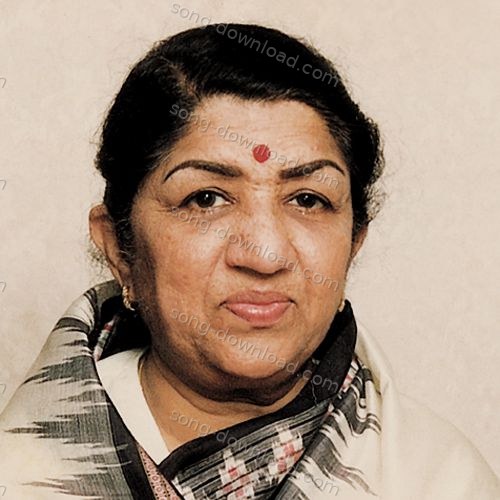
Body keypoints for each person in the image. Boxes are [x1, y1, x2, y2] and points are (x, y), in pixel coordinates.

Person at [0, 23, 498, 500]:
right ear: (119, 247)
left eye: (307, 200)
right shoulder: (18, 472)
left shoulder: (441, 481)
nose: (265, 255)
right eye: (206, 199)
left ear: (353, 243)